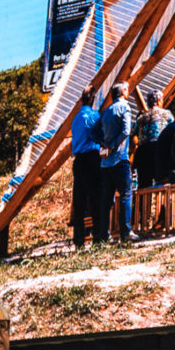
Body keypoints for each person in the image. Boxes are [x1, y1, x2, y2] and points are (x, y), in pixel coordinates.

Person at [95, 81, 137, 244]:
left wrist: (103, 143)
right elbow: (126, 131)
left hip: (105, 163)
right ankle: (125, 232)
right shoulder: (125, 107)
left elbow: (94, 132)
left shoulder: (105, 112)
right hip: (120, 158)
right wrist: (113, 145)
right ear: (123, 92)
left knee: (106, 199)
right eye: (127, 89)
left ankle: (104, 234)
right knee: (126, 194)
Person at [69, 89, 102, 248]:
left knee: (80, 201)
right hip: (91, 158)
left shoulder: (75, 119)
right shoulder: (93, 116)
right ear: (93, 100)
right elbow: (100, 135)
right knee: (96, 197)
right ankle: (98, 236)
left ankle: (79, 240)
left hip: (78, 161)